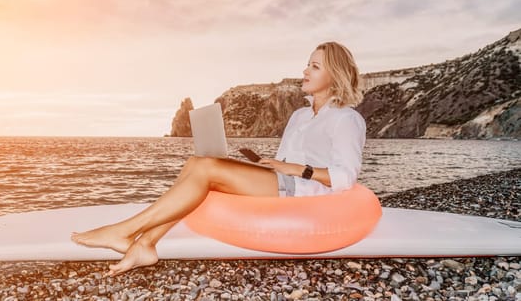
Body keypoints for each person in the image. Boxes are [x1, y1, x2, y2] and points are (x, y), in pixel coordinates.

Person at [71, 41, 366, 276]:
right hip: (281, 181)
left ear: (334, 75)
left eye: (314, 67)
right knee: (196, 162)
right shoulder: (300, 115)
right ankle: (145, 245)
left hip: (303, 192)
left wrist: (296, 169)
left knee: (207, 168)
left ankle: (123, 232)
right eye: (307, 64)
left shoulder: (346, 120)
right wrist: (259, 166)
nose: (305, 71)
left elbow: (345, 177)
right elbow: (281, 164)